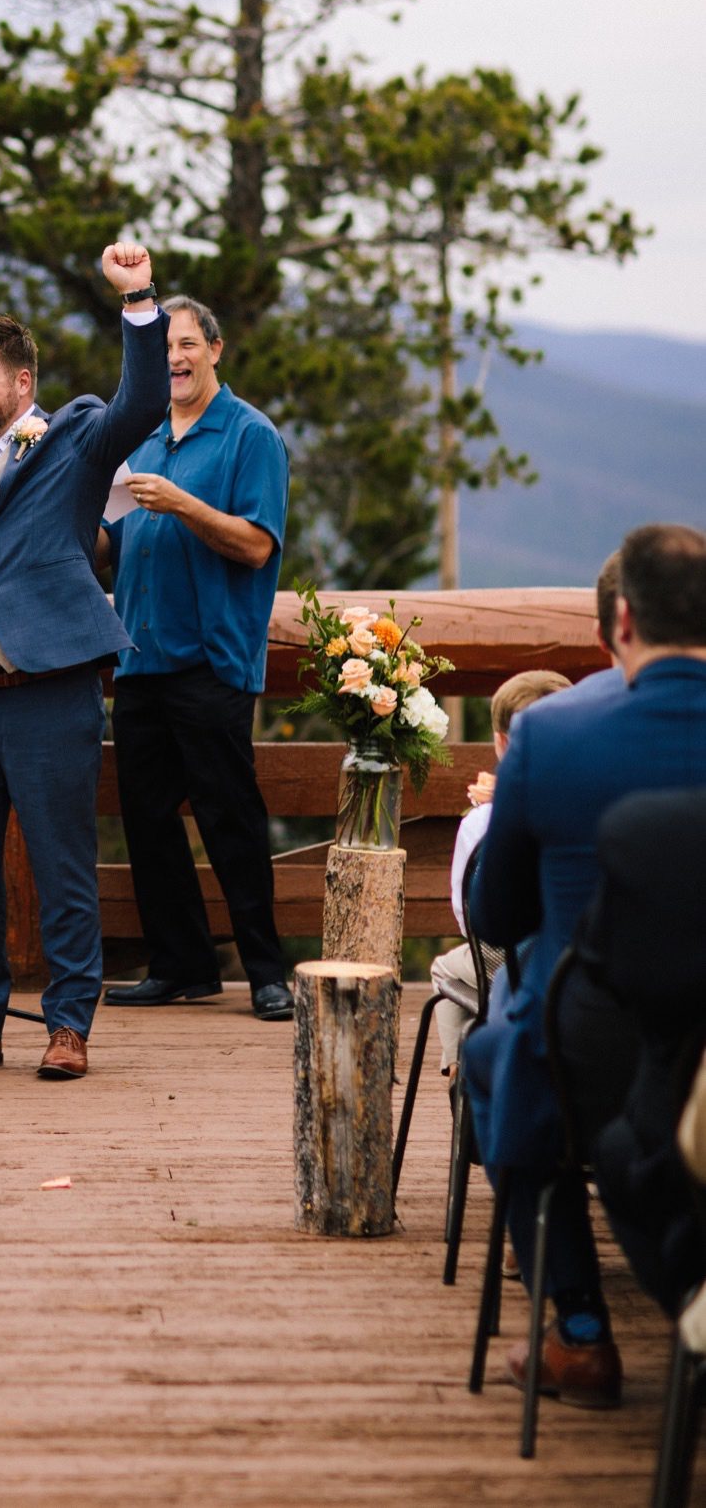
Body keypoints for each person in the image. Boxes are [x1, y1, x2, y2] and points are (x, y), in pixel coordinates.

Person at [0, 243, 170, 1081]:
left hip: (53, 688)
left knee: (63, 863)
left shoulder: (76, 439)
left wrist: (138, 303)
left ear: (21, 383)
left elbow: (146, 400)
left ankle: (68, 1025)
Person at [465, 523, 706, 1410]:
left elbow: (497, 915)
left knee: (494, 1062)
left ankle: (579, 1330)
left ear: (622, 622)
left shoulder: (554, 736)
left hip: (589, 1062)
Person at [96, 297, 293, 1021]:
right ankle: (182, 964)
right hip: (140, 656)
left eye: (185, 344)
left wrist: (181, 503)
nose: (173, 358)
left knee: (228, 816)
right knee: (146, 820)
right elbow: (112, 547)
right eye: (164, 349)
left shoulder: (250, 435)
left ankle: (268, 971)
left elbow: (256, 544)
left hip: (211, 658)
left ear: (215, 348)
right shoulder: (142, 435)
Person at [578, 785, 706, 1317]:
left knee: (621, 1150)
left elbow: (601, 964)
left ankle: (683, 1314)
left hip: (680, 1129)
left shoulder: (648, 829)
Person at [429, 669, 571, 1074]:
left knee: (447, 969)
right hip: (584, 963)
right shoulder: (594, 805)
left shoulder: (482, 824)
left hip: (513, 968)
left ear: (501, 741)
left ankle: (460, 1076)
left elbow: (468, 918)